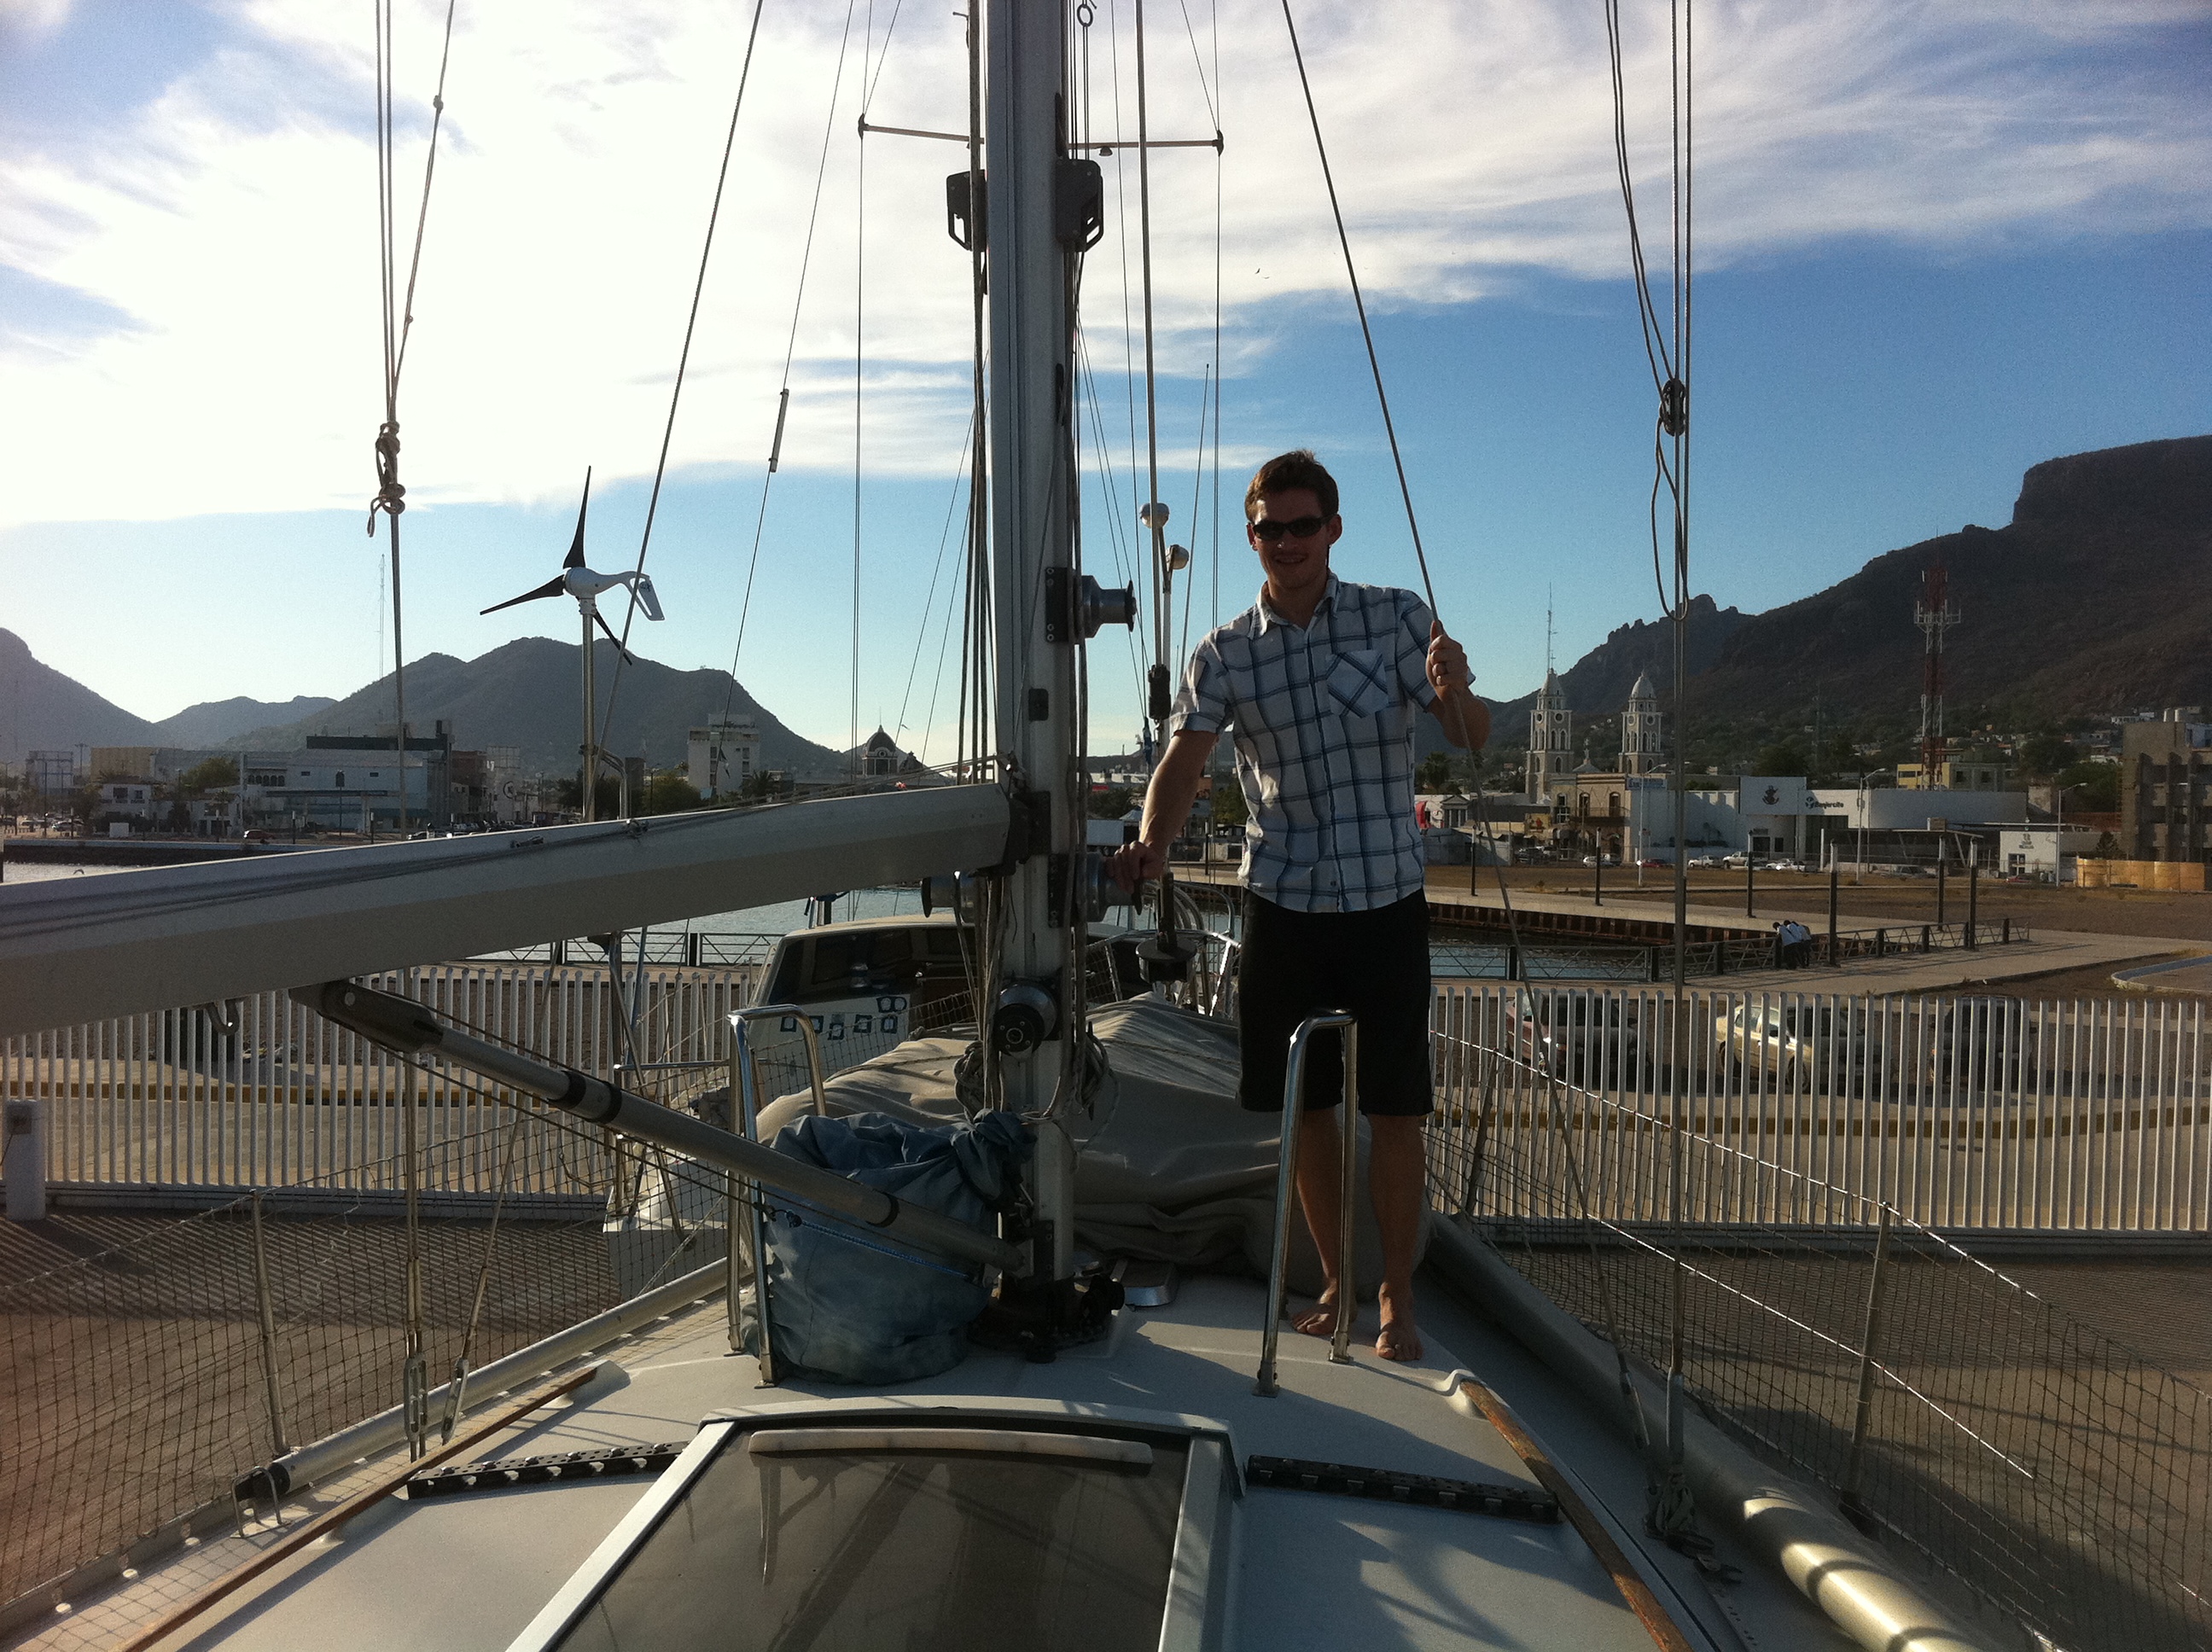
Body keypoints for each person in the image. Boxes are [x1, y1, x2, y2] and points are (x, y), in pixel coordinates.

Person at [1110, 450, 1488, 1362]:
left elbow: (1469, 738)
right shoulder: (1225, 652)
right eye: (1269, 528)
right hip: (1284, 898)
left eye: (1302, 525)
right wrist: (1152, 847)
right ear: (1251, 537)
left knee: (1396, 1108)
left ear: (1333, 529)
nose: (1286, 541)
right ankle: (1334, 1279)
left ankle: (1396, 1296)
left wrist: (1458, 687)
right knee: (1307, 1108)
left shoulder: (1396, 617)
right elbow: (1184, 766)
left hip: (1385, 896)